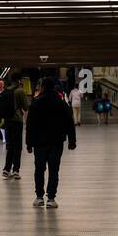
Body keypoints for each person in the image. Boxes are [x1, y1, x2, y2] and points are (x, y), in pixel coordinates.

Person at [25, 76, 76, 208]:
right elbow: (70, 122)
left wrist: (28, 143)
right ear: (53, 87)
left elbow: (29, 124)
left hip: (39, 143)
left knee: (39, 169)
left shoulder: (36, 103)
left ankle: (39, 197)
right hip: (56, 142)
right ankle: (51, 198)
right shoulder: (61, 103)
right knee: (54, 170)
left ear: (42, 87)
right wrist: (72, 141)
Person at [0, 74, 31, 179]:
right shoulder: (20, 91)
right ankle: (16, 170)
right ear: (19, 80)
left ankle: (6, 169)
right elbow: (26, 107)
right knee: (17, 146)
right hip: (17, 120)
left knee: (10, 145)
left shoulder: (6, 90)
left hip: (7, 120)